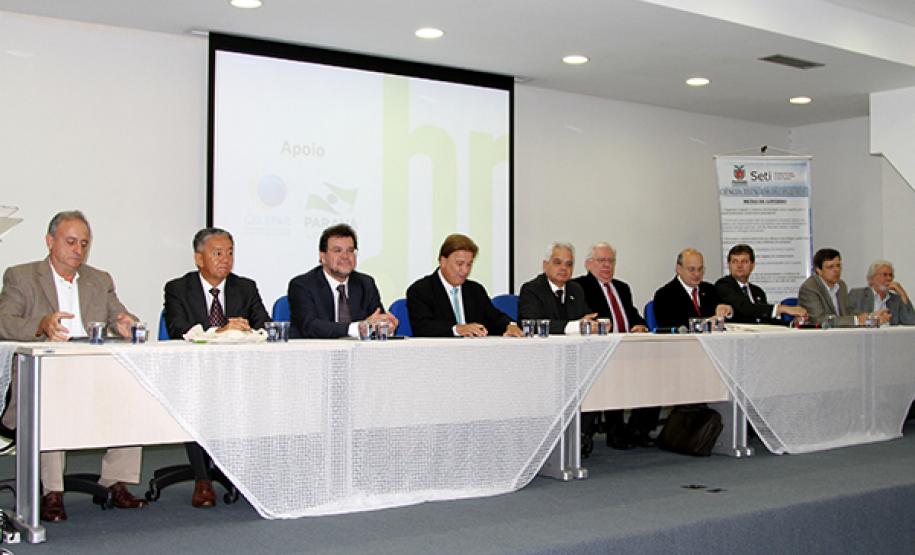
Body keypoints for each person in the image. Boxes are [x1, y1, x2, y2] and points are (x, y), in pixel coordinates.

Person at [0, 210, 147, 522]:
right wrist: (40, 325)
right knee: (49, 396)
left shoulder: (99, 279)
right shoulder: (21, 276)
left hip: (91, 370)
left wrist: (125, 323)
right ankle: (52, 491)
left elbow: (118, 314)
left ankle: (116, 480)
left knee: (133, 393)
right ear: (50, 241)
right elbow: (4, 323)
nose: (78, 250)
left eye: (84, 243)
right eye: (70, 242)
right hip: (44, 373)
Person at [163, 227, 271, 507]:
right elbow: (178, 329)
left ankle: (244, 471)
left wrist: (247, 330)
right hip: (195, 372)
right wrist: (220, 331)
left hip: (238, 372)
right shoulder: (178, 288)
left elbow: (265, 324)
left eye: (230, 253)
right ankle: (202, 479)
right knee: (197, 400)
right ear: (199, 258)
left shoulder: (245, 287)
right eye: (218, 253)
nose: (225, 259)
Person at [571, 242, 652, 450]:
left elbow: (632, 314)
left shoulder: (622, 287)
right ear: (589, 264)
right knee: (610, 373)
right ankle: (614, 432)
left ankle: (638, 429)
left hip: (627, 346)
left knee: (656, 369)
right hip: (599, 350)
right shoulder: (579, 287)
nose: (607, 265)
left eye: (611, 261)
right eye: (601, 261)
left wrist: (640, 325)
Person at [288, 224, 397, 338]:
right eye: (337, 250)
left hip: (360, 353)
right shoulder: (302, 285)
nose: (345, 256)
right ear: (323, 256)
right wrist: (357, 328)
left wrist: (385, 326)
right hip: (316, 352)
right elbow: (310, 326)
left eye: (350, 250)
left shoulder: (365, 283)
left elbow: (376, 320)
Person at [407, 233, 522, 337]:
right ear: (443, 261)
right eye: (460, 264)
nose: (465, 270)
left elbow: (494, 317)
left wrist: (510, 325)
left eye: (469, 264)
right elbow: (422, 327)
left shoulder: (475, 290)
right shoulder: (420, 290)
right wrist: (458, 329)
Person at [714, 244, 807, 324]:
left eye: (744, 261)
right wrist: (782, 308)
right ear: (729, 265)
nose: (739, 266)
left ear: (752, 265)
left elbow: (764, 320)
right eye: (735, 262)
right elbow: (745, 308)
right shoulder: (724, 285)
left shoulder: (757, 291)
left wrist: (791, 324)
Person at [518, 242, 595, 335]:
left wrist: (597, 324)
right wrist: (574, 326)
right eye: (557, 263)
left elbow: (587, 317)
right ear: (545, 265)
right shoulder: (531, 289)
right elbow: (533, 324)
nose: (564, 268)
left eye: (569, 264)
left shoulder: (576, 289)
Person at [798, 248, 888, 327]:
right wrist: (856, 320)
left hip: (841, 335)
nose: (836, 270)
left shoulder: (841, 285)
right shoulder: (810, 288)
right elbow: (820, 320)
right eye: (830, 267)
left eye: (838, 266)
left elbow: (846, 314)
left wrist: (870, 318)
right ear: (818, 270)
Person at [653, 248, 733, 330]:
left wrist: (727, 311)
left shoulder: (710, 289)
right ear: (679, 269)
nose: (697, 274)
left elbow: (729, 320)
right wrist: (706, 324)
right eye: (692, 269)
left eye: (700, 269)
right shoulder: (664, 295)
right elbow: (674, 328)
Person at [847, 260, 915, 326]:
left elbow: (911, 322)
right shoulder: (857, 295)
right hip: (866, 336)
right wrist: (874, 321)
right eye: (884, 275)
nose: (888, 278)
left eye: (890, 275)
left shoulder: (896, 300)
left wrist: (902, 293)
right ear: (871, 279)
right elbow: (850, 322)